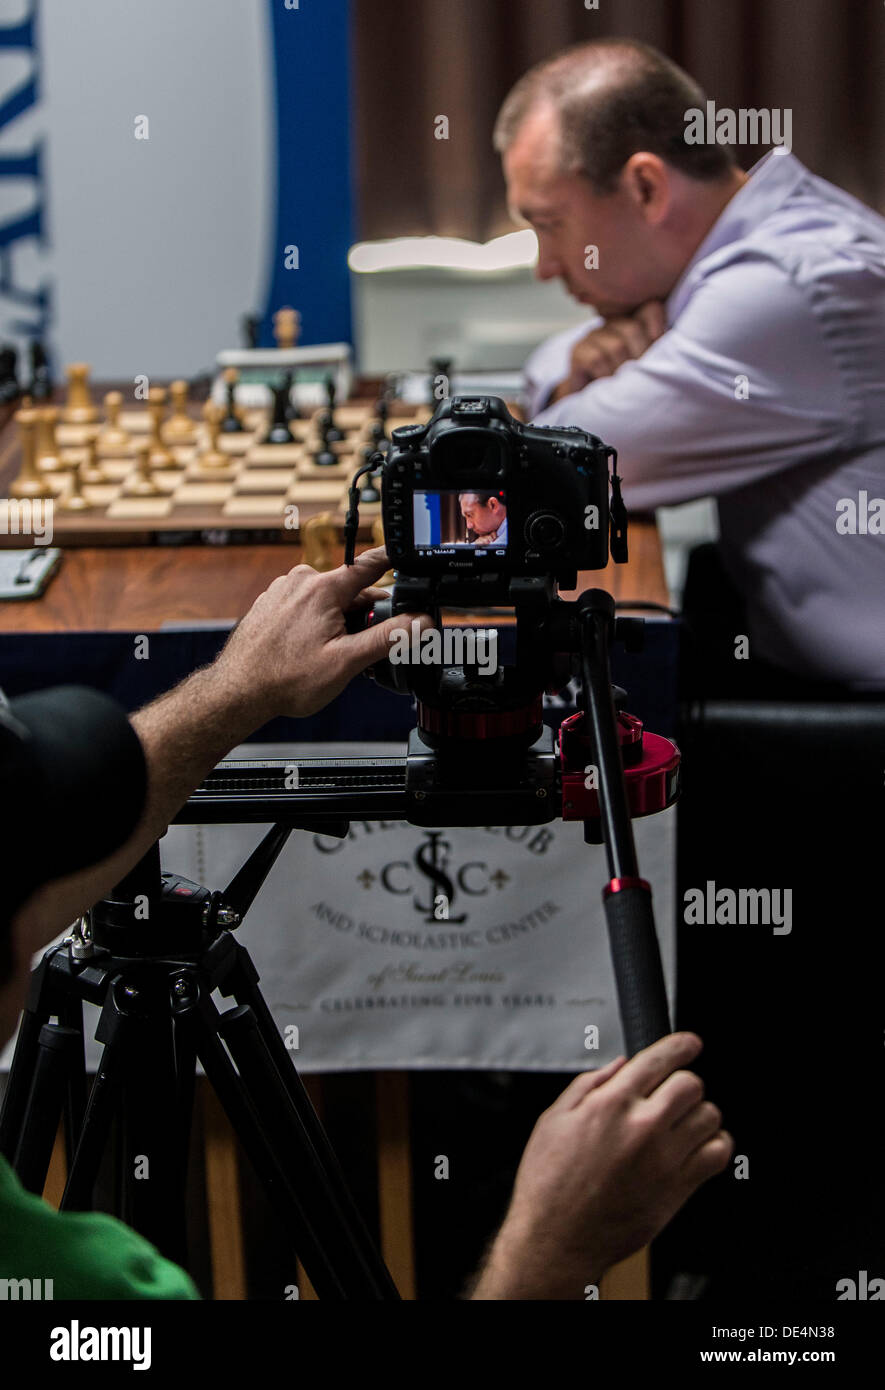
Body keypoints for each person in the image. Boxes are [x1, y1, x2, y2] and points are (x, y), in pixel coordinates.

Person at [1, 550, 731, 1299]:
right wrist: (549, 1252)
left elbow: (65, 841)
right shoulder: (94, 1294)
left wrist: (237, 688)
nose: (47, 869)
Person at [494, 38, 885, 690]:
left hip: (850, 721)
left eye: (550, 225)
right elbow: (544, 374)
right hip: (776, 643)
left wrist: (583, 381)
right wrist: (585, 363)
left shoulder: (785, 288)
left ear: (645, 186)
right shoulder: (748, 253)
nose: (546, 266)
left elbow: (560, 473)